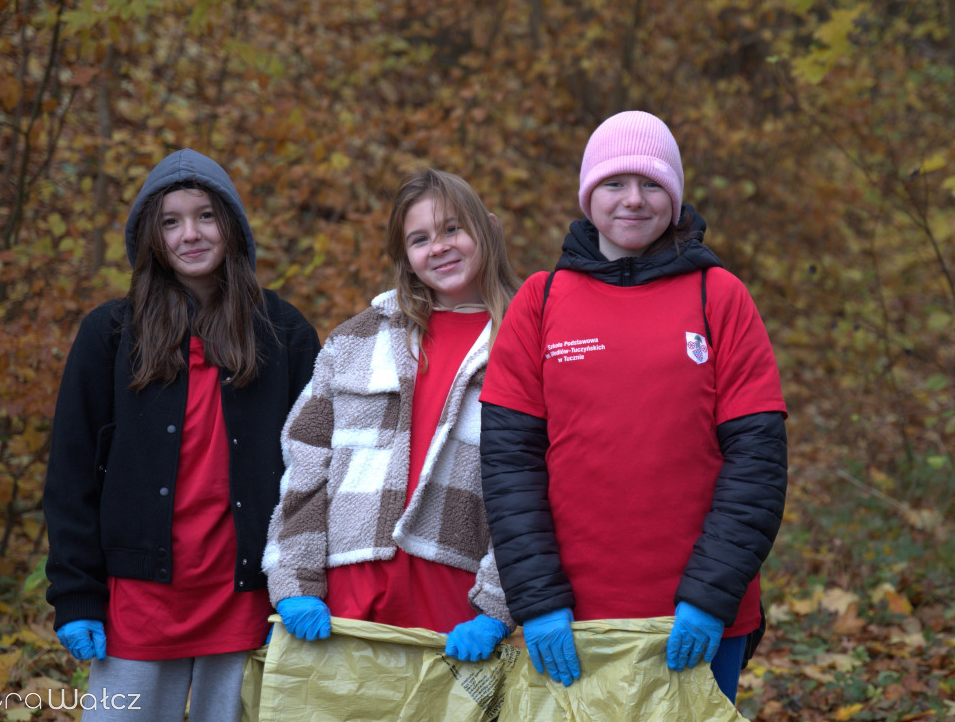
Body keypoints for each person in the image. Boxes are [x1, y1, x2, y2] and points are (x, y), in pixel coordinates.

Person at [477, 111, 788, 703]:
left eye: (651, 184)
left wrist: (707, 598)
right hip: (573, 625)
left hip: (698, 620)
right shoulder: (540, 302)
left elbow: (757, 461)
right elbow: (509, 467)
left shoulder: (719, 294)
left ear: (673, 197)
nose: (633, 200)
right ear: (588, 193)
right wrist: (539, 602)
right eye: (614, 183)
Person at [43, 149, 321, 721]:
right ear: (151, 235)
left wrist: (309, 585)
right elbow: (71, 476)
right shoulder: (110, 335)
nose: (189, 234)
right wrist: (76, 596)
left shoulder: (284, 333)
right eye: (170, 221)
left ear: (233, 226)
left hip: (248, 600)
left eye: (205, 216)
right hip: (138, 603)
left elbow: (316, 476)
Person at [262, 168, 520, 662]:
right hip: (346, 606)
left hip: (455, 609)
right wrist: (295, 579)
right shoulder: (356, 341)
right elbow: (306, 468)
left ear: (487, 228)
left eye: (452, 229)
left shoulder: (525, 340)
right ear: (405, 256)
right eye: (419, 239)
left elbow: (536, 489)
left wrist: (497, 607)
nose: (438, 247)